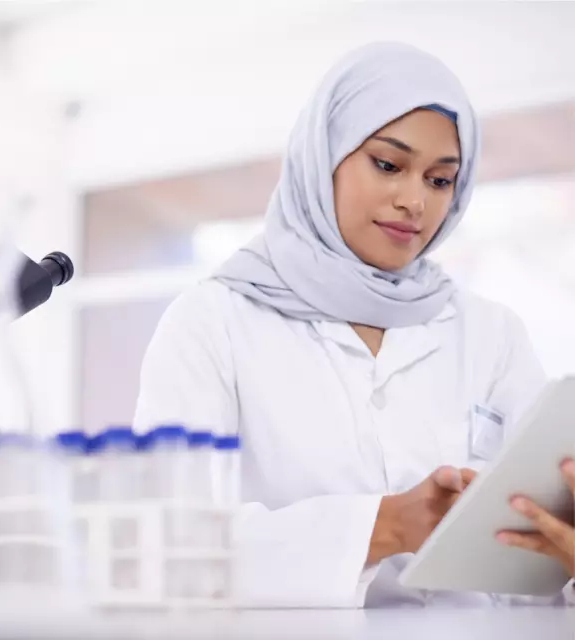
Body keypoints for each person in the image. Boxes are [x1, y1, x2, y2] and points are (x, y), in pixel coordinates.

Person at [133, 42, 574, 608]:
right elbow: (168, 547)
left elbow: (537, 562)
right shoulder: (212, 322)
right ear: (325, 157)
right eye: (389, 165)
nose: (414, 201)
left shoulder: (491, 333)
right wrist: (385, 526)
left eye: (440, 180)